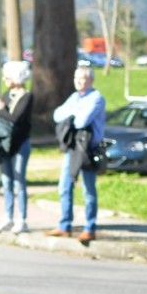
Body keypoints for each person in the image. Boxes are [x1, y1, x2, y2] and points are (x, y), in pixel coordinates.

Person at [47, 66, 106, 245]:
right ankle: (65, 225)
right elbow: (57, 115)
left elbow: (82, 121)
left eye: (82, 79)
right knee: (64, 186)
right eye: (76, 78)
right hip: (73, 148)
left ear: (90, 80)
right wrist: (74, 112)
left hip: (89, 149)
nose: (79, 82)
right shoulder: (74, 97)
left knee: (88, 190)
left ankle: (90, 228)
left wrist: (72, 114)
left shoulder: (97, 98)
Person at [0, 60, 33, 234]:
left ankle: (21, 219)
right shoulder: (7, 94)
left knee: (18, 181)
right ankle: (7, 217)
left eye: (7, 77)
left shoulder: (27, 96)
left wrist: (0, 111)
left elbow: (15, 118)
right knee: (6, 181)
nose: (4, 79)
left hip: (20, 144)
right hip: (4, 144)